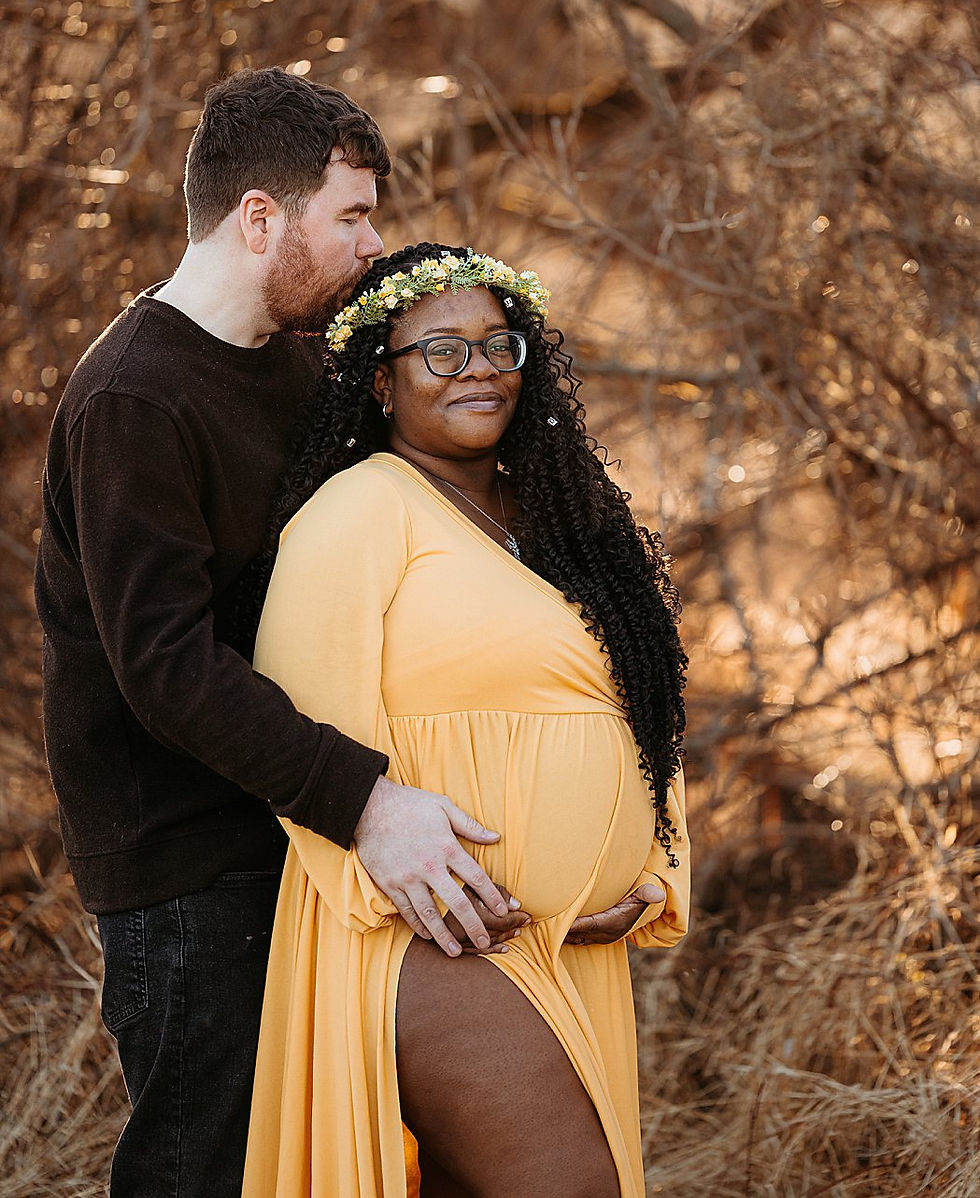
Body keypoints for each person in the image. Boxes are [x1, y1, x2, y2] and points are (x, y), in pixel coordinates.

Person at [33, 71, 522, 1198]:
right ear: (261, 218)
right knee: (206, 1171)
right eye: (349, 216)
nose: (373, 244)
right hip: (192, 876)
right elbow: (165, 671)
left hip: (308, 844)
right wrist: (368, 803)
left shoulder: (304, 367)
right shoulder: (134, 400)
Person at [240, 242, 691, 1198]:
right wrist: (408, 894)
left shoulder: (564, 522)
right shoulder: (358, 512)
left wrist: (651, 868)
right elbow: (295, 740)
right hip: (438, 943)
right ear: (379, 380)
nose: (479, 369)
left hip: (571, 948)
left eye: (499, 345)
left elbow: (640, 704)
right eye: (441, 352)